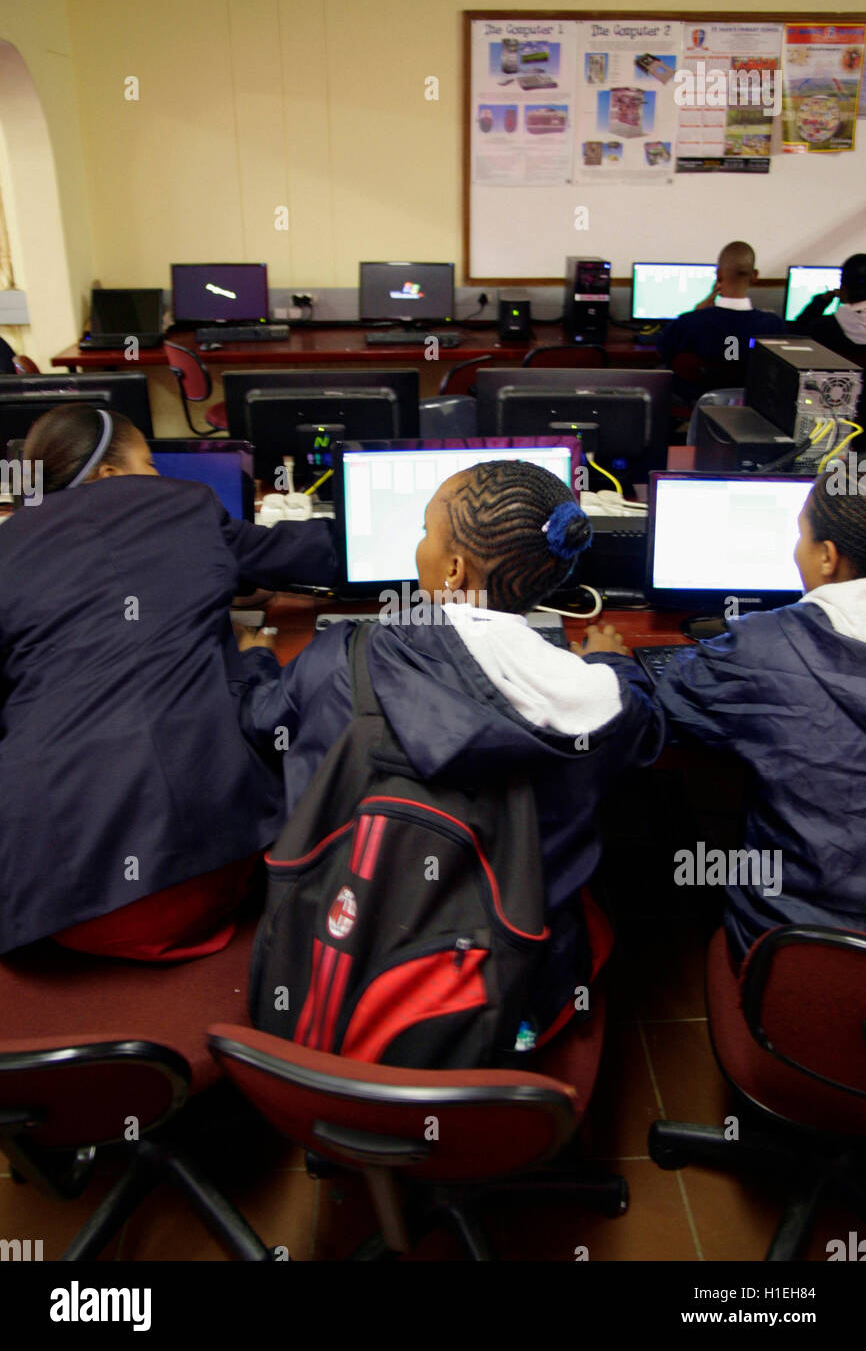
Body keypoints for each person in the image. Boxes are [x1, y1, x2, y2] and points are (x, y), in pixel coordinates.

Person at [239, 460, 665, 1041]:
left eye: (424, 532)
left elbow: (261, 721)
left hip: (343, 953)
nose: (418, 546)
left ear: (455, 569)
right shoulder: (604, 701)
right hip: (509, 989)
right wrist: (610, 662)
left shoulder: (345, 656)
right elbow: (648, 729)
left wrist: (256, 655)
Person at [0, 403, 335, 959]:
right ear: (110, 475)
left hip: (41, 893)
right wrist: (254, 659)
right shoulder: (184, 504)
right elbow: (303, 554)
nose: (158, 479)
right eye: (149, 464)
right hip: (201, 874)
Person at [656, 465, 866, 965]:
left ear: (828, 557)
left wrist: (602, 661)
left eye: (801, 535)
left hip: (800, 951)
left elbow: (675, 695)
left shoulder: (768, 647)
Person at [655, 241, 786, 399]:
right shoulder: (774, 325)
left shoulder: (689, 322)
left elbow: (663, 349)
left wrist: (696, 313)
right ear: (755, 275)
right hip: (751, 410)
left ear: (718, 275)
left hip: (697, 405)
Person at [794, 253, 866, 424]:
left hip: (832, 420)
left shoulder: (823, 328)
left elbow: (797, 333)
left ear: (843, 288)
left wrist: (820, 301)